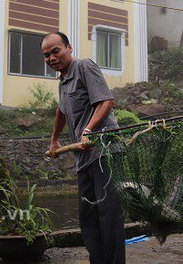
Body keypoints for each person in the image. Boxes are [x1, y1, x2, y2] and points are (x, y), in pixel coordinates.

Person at [42, 31, 125, 264]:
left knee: (109, 216)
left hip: (105, 152)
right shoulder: (63, 79)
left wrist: (88, 130)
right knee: (88, 216)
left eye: (55, 51)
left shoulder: (83, 66)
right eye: (46, 55)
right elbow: (61, 109)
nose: (51, 58)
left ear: (69, 48)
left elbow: (106, 101)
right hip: (84, 157)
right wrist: (54, 140)